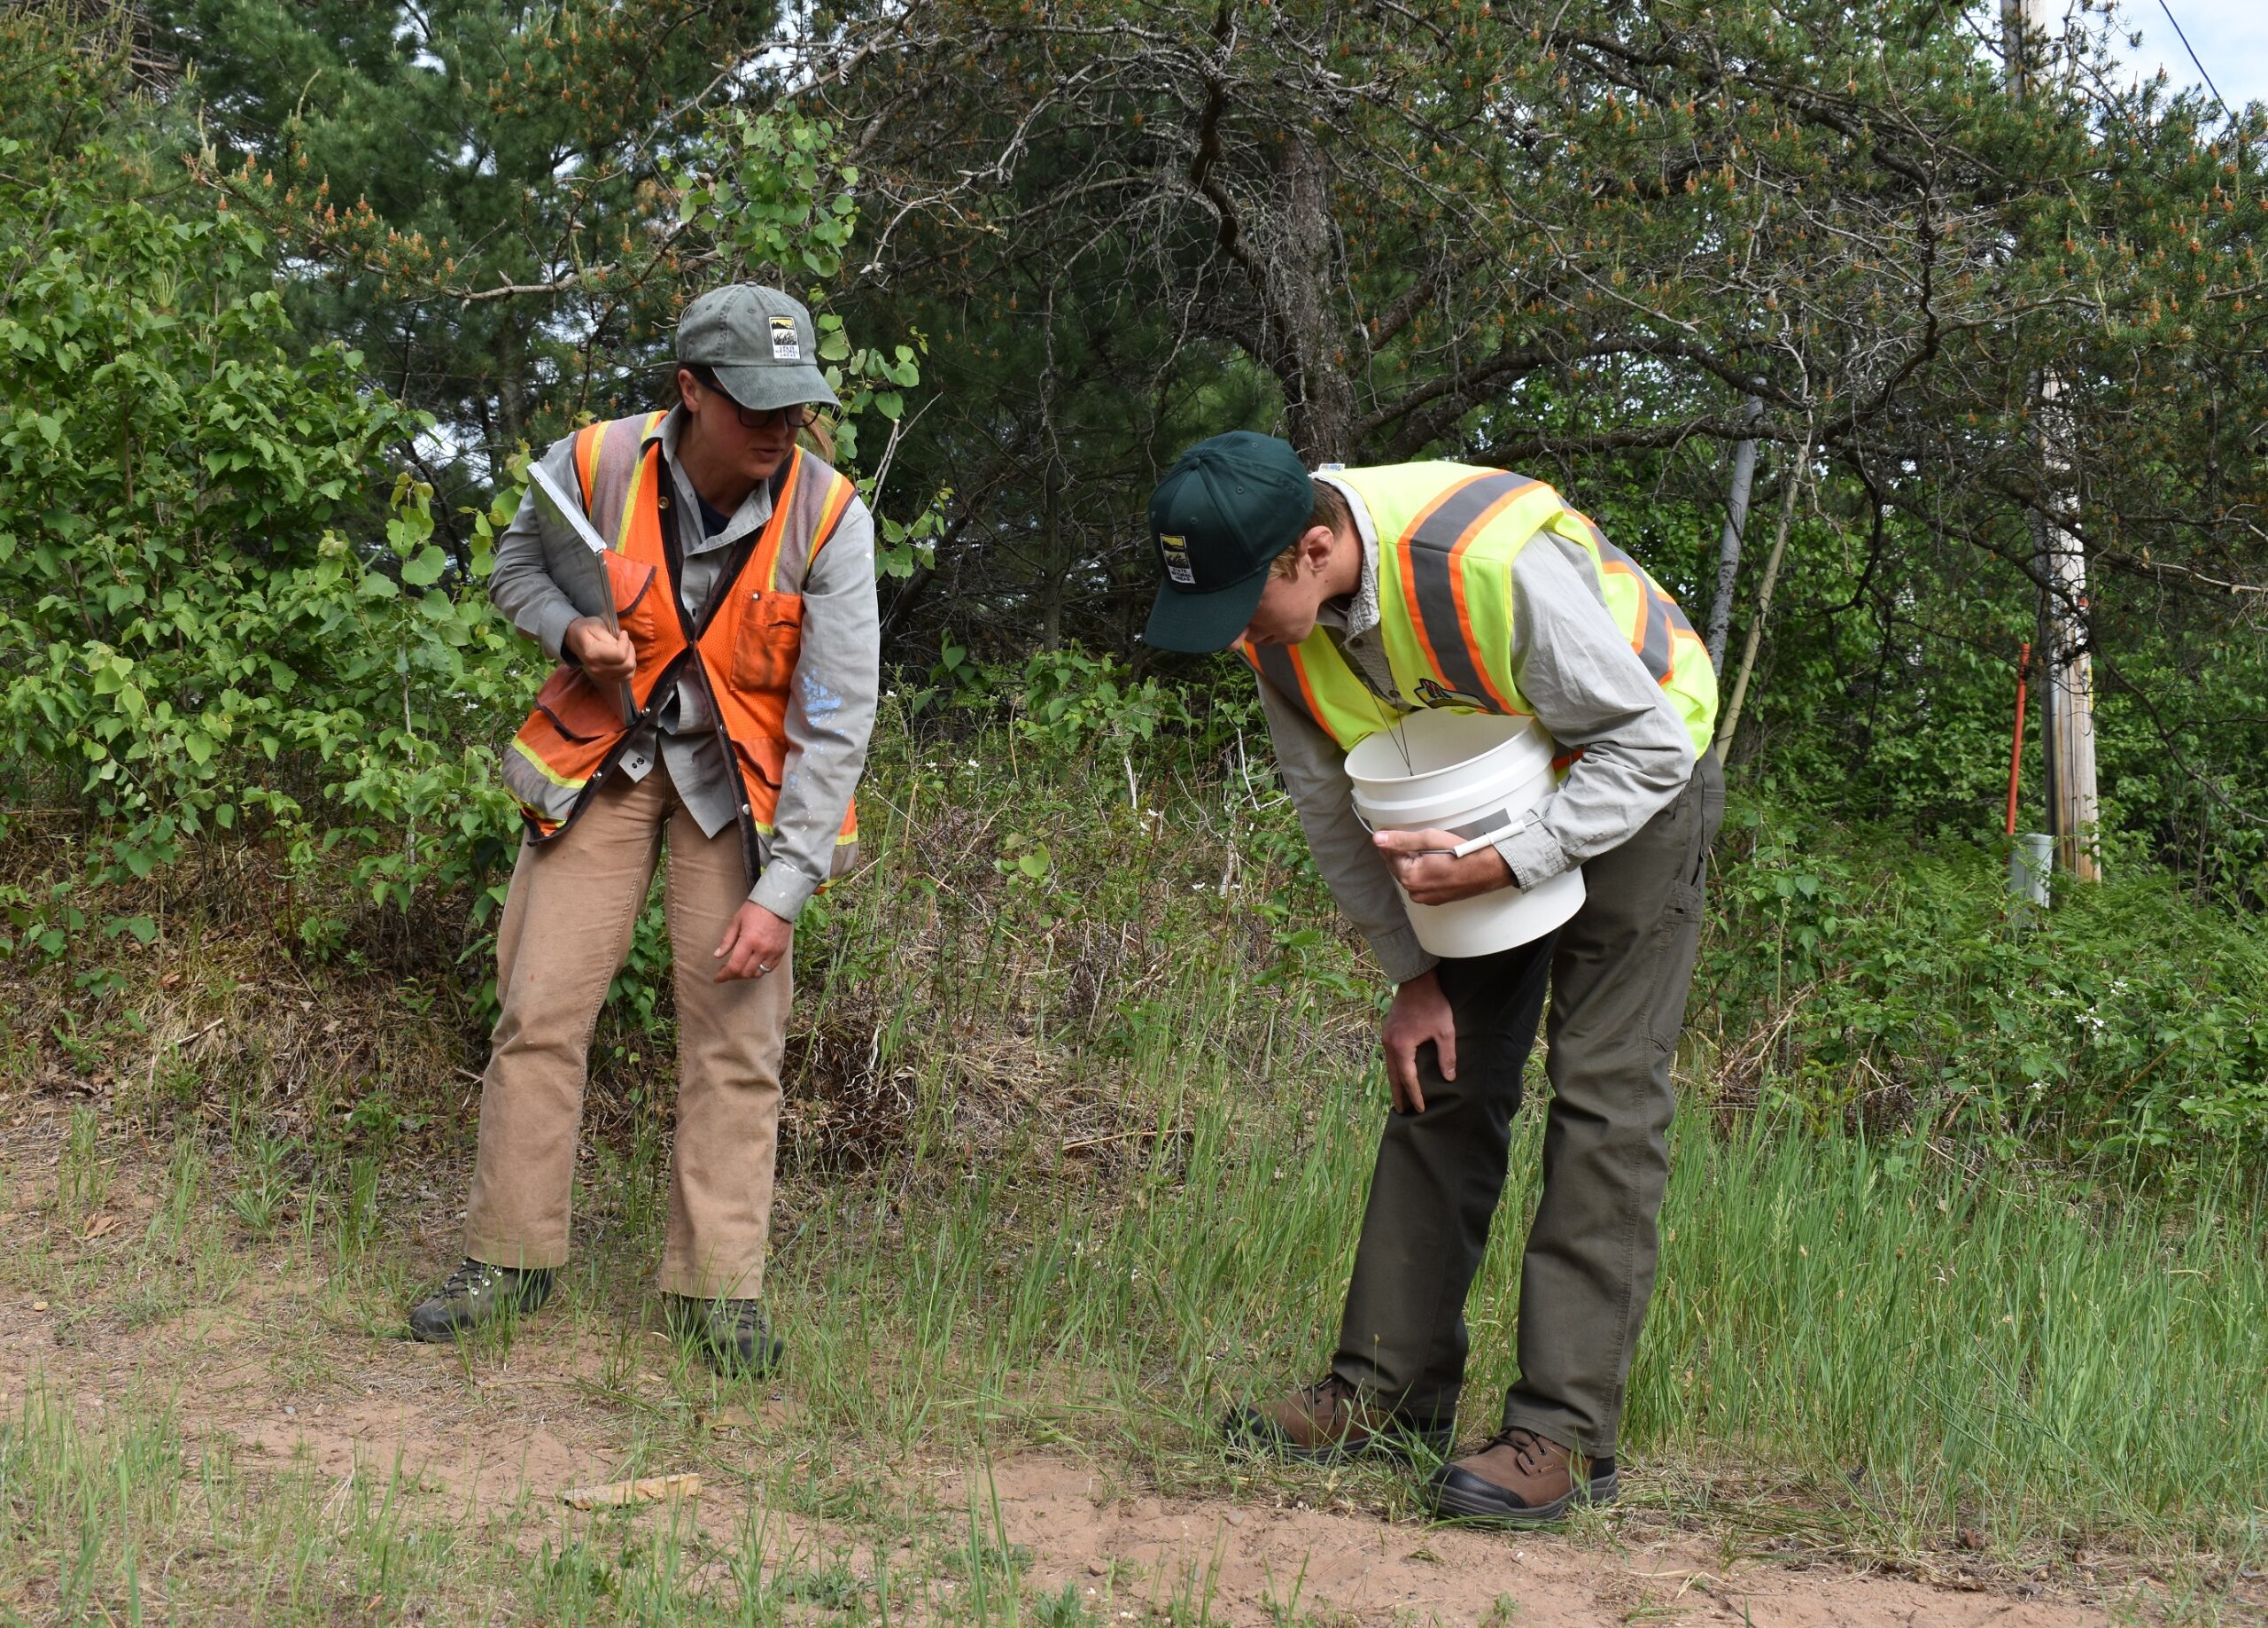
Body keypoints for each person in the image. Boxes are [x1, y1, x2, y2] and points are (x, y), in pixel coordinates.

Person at [1143, 433, 1721, 1524]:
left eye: (1237, 601)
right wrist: (1415, 972)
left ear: (1311, 549)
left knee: (1603, 1088)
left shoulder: (1482, 567)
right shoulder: (1276, 627)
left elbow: (1643, 746)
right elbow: (1329, 809)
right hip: (1479, 792)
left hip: (1637, 777)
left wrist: (1513, 860)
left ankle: (1563, 1434)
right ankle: (1383, 1391)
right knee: (1442, 1070)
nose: (1229, 632)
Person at [407, 284, 880, 1376]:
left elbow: (837, 716)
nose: (779, 428)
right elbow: (515, 569)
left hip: (739, 794)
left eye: (794, 406)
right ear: (689, 391)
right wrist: (570, 629)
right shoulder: (592, 463)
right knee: (539, 1006)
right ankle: (507, 1261)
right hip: (607, 759)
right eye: (754, 404)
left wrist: (784, 889)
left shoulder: (828, 515)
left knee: (738, 1035)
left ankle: (719, 1291)